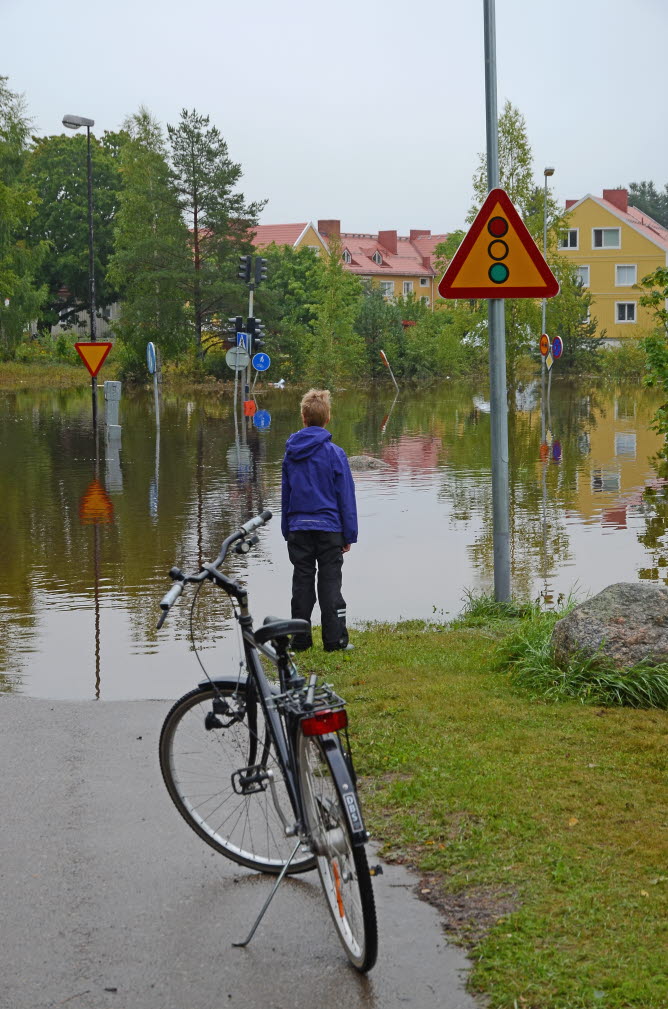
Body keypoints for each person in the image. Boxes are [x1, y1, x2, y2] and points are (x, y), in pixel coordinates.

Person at [281, 389, 357, 652]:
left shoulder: (291, 453)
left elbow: (286, 494)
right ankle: (334, 641)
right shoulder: (335, 454)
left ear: (303, 417)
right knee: (330, 584)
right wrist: (349, 534)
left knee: (301, 583)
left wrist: (286, 529)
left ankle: (299, 640)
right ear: (328, 419)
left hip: (299, 528)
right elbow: (345, 496)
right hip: (330, 530)